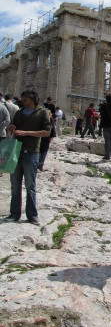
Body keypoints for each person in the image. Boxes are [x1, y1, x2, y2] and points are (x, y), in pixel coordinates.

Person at [5, 89, 51, 225]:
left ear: (32, 98)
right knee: (15, 184)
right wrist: (10, 128)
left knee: (30, 185)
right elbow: (12, 126)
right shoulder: (19, 112)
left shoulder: (42, 112)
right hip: (16, 151)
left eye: (25, 96)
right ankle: (14, 213)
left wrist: (26, 133)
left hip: (31, 152)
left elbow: (46, 132)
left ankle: (32, 215)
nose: (22, 98)